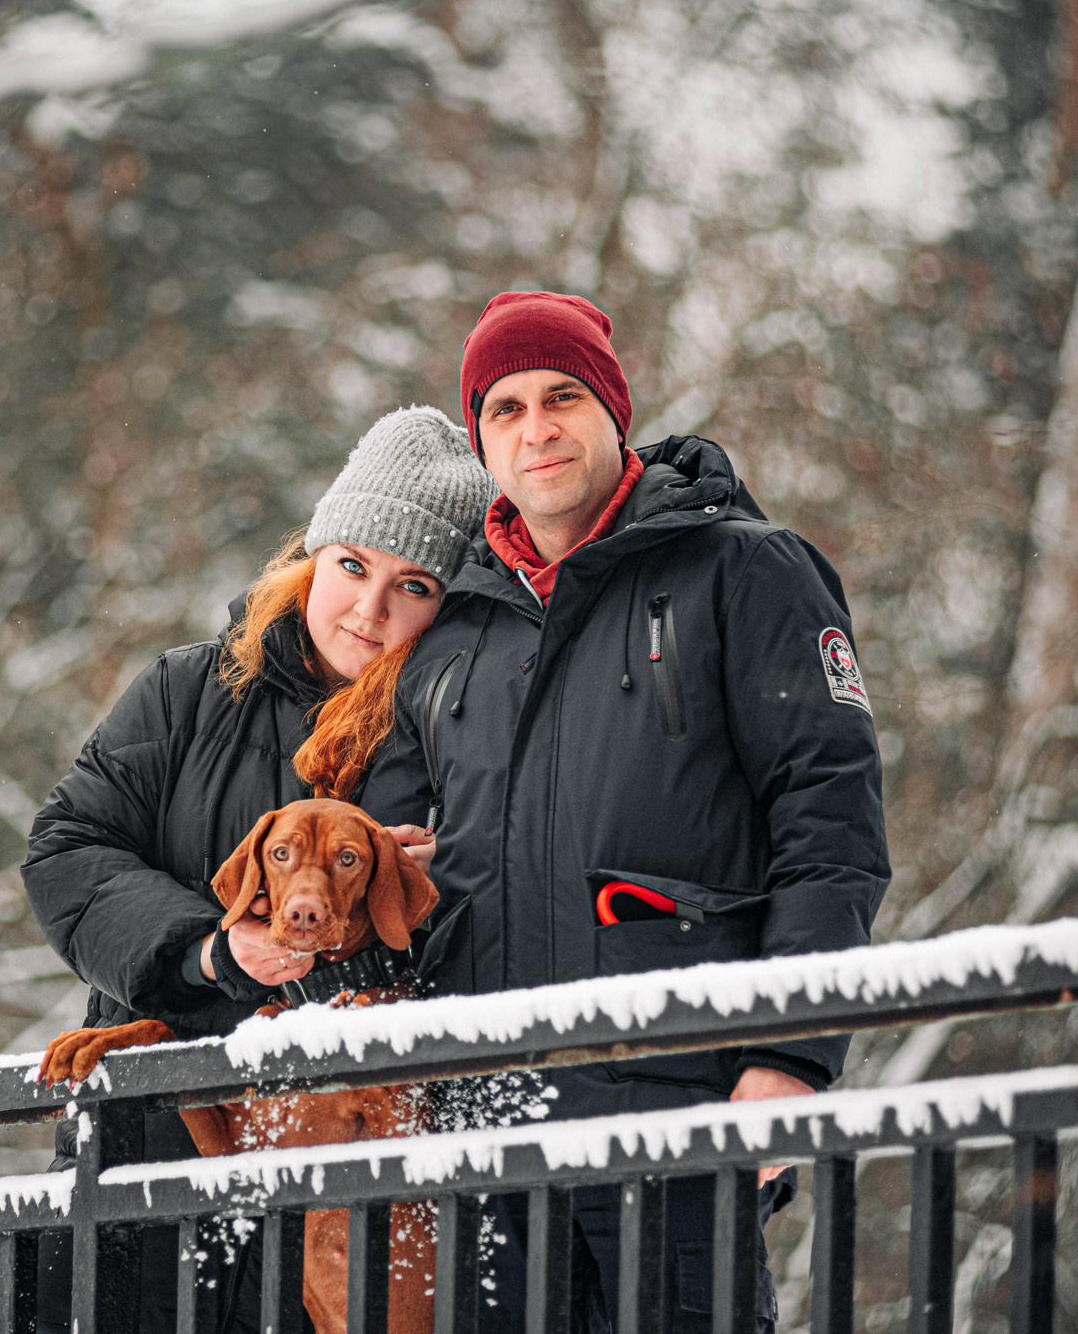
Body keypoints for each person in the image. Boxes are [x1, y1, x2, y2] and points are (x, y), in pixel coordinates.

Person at [359, 293, 891, 1331]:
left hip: (676, 1098)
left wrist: (793, 1055)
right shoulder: (453, 628)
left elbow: (829, 821)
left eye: (561, 396)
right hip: (485, 1128)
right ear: (483, 439)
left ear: (612, 407)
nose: (536, 428)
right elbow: (393, 853)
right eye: (504, 408)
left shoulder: (743, 569)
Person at [20, 404, 498, 1333]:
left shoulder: (453, 738)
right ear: (312, 557)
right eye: (352, 565)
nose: (369, 608)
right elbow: (66, 846)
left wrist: (431, 886)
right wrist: (206, 950)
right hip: (151, 1167)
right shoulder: (189, 691)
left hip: (345, 1192)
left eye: (415, 586)